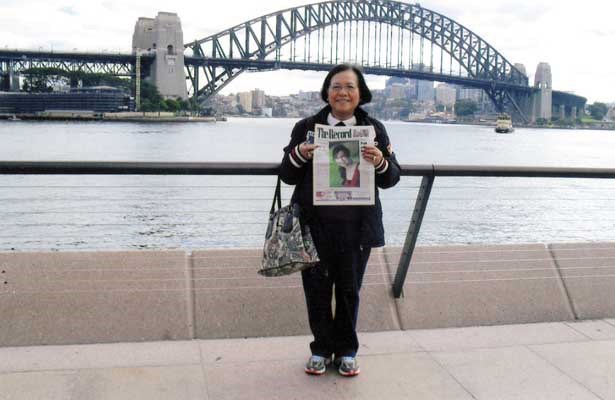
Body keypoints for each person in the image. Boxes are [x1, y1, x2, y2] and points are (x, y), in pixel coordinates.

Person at [279, 64, 401, 377]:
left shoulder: (374, 130)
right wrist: (301, 154)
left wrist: (381, 161)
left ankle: (347, 350)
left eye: (349, 86)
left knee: (349, 291)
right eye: (336, 86)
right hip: (313, 226)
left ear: (360, 94)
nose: (342, 92)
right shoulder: (307, 127)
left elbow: (392, 178)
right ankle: (320, 348)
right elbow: (287, 175)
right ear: (326, 92)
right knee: (316, 291)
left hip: (356, 228)